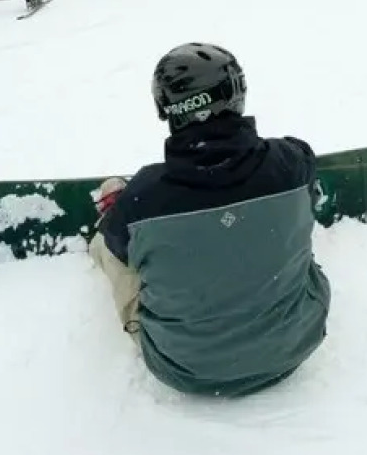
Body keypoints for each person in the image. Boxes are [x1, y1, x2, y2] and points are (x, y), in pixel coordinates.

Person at [88, 43, 331, 396]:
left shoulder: (144, 197)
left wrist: (122, 210)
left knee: (108, 246)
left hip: (184, 368)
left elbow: (121, 249)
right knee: (293, 221)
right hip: (295, 345)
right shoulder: (290, 162)